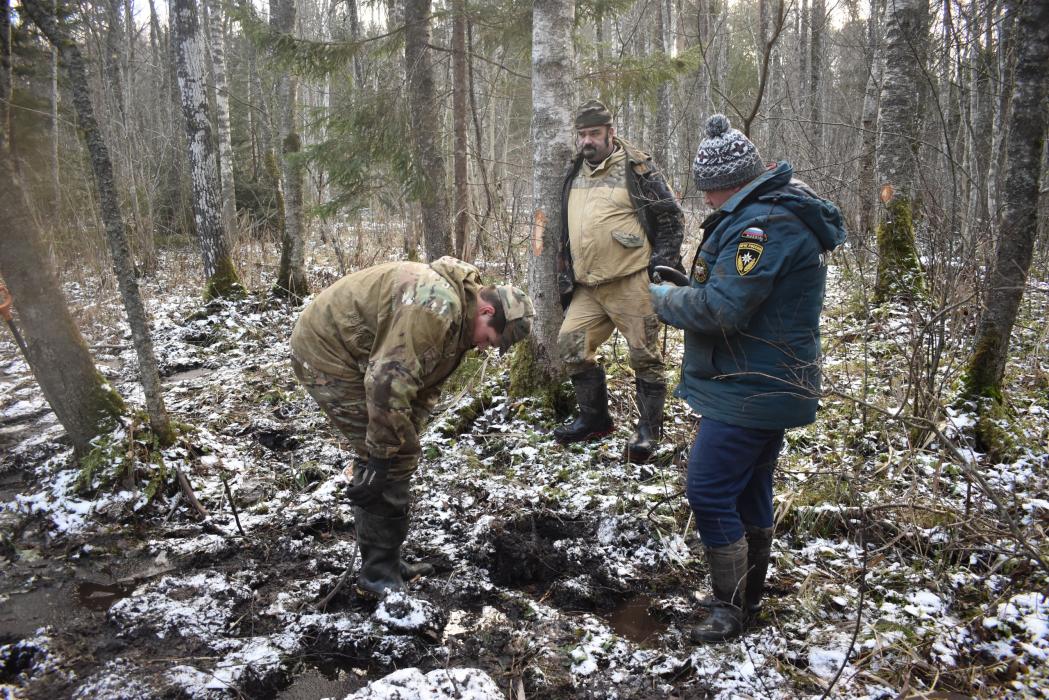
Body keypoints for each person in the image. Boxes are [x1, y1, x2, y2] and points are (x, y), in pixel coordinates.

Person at [650, 114, 846, 642]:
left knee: (709, 488)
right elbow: (736, 291)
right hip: (758, 379)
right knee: (749, 487)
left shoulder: (765, 225)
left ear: (727, 184)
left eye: (709, 193)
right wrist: (686, 283)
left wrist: (664, 300)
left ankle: (728, 608)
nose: (707, 202)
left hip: (753, 384)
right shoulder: (765, 213)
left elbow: (723, 310)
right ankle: (745, 599)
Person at [290, 257, 534, 597]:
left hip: (360, 355)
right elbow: (388, 383)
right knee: (387, 456)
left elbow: (421, 387)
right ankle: (377, 576)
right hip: (328, 351)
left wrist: (402, 442)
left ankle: (385, 559)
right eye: (490, 340)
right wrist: (381, 457)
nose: (483, 348)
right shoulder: (435, 307)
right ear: (487, 313)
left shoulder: (457, 320)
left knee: (396, 452)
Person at [554, 98, 686, 463]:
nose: (587, 141)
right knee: (570, 346)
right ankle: (595, 420)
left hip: (631, 281)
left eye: (594, 133)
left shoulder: (637, 168)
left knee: (645, 356)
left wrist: (661, 268)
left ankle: (649, 432)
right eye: (582, 135)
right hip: (587, 286)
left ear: (611, 132)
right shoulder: (574, 171)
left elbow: (672, 218)